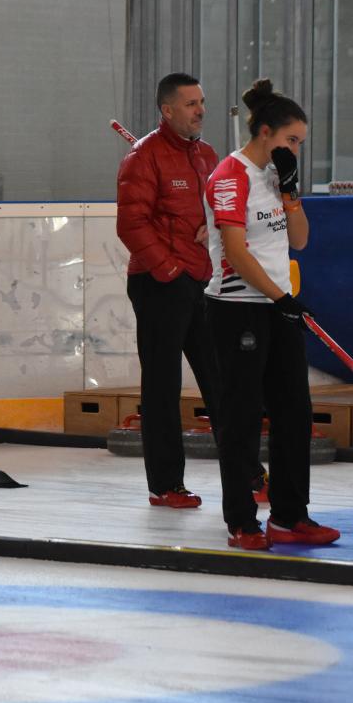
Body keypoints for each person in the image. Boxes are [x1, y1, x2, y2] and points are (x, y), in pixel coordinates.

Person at [203, 79, 340, 550]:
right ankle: (241, 520)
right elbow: (236, 252)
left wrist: (290, 190)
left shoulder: (273, 176)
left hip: (277, 306)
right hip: (238, 308)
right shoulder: (230, 176)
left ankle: (289, 516)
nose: (296, 149)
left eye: (300, 142)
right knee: (241, 418)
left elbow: (299, 239)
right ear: (265, 132)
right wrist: (280, 298)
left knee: (295, 413)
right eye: (291, 140)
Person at [116, 72, 228, 509]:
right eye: (190, 104)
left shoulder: (207, 155)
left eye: (201, 102)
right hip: (159, 284)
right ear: (167, 110)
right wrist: (170, 270)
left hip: (203, 281)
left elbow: (219, 209)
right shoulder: (143, 157)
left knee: (222, 379)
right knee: (162, 386)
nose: (201, 110)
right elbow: (131, 224)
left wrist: (213, 229)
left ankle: (248, 474)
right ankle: (165, 484)